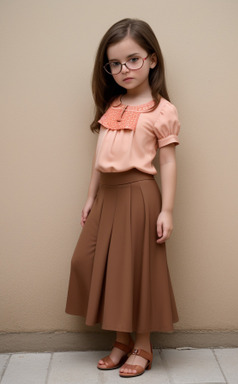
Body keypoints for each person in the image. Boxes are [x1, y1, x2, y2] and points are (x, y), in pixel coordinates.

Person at [66, 18, 180, 378]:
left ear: (152, 59)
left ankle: (140, 344)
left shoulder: (162, 110)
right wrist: (90, 198)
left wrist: (167, 210)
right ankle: (121, 339)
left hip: (140, 193)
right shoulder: (112, 105)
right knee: (88, 262)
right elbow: (100, 159)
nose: (123, 69)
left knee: (137, 270)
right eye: (114, 63)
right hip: (107, 197)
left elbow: (168, 161)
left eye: (133, 59)